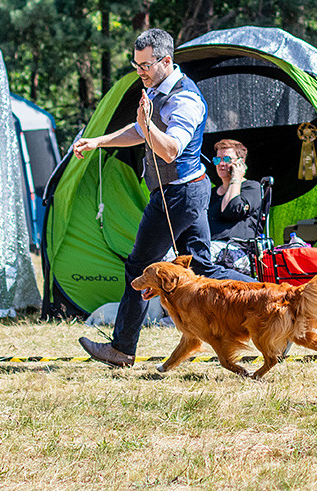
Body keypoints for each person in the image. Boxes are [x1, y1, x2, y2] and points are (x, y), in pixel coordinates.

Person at [74, 28, 254, 368]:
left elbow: (170, 150)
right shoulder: (157, 90)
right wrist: (98, 141)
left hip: (177, 195)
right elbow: (140, 132)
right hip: (189, 190)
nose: (139, 70)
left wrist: (147, 123)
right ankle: (269, 299)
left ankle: (122, 349)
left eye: (145, 64)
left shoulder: (185, 99)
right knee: (201, 266)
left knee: (138, 267)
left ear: (165, 60)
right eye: (136, 63)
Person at [207, 139, 262, 276]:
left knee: (203, 254)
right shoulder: (210, 194)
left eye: (226, 159)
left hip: (238, 252)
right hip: (211, 250)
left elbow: (232, 211)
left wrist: (235, 179)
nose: (221, 164)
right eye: (217, 160)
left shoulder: (252, 187)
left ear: (240, 162)